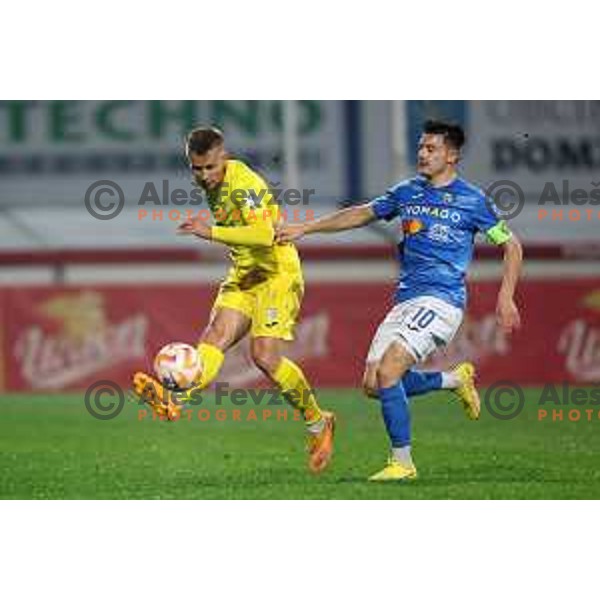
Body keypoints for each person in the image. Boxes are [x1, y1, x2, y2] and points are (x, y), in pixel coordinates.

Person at [277, 119, 523, 481]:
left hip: (443, 301)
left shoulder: (473, 200)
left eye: (431, 148)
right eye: (421, 147)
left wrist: (506, 297)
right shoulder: (407, 192)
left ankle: (402, 463)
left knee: (390, 369)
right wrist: (306, 228)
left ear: (452, 155)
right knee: (374, 384)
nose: (422, 154)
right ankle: (453, 380)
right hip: (406, 300)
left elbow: (511, 245)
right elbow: (361, 213)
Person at [131, 126, 335, 474]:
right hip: (244, 274)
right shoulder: (211, 183)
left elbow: (263, 233)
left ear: (223, 156)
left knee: (264, 357)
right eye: (197, 169)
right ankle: (175, 398)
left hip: (276, 274)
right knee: (214, 337)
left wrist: (209, 231)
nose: (204, 176)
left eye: (210, 167)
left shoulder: (246, 184)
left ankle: (319, 422)